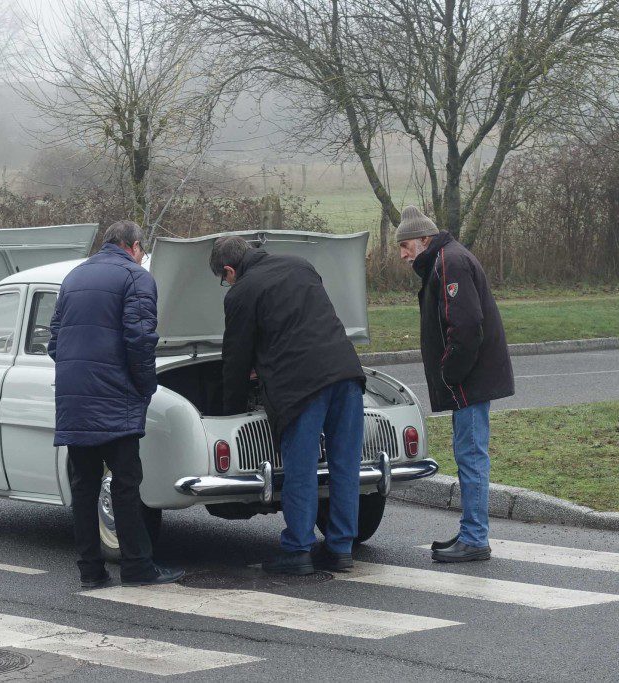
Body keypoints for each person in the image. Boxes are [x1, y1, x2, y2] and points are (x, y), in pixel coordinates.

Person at [210, 236, 366, 575]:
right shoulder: (300, 264)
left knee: (301, 468)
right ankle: (340, 549)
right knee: (345, 466)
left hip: (301, 386)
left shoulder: (241, 292)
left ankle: (297, 550)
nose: (227, 285)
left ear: (229, 270)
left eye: (224, 280)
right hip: (346, 371)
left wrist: (231, 411)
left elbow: (235, 359)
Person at [48, 220, 184, 588]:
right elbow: (140, 339)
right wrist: (146, 386)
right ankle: (137, 566)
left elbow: (54, 342)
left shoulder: (74, 277)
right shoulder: (136, 278)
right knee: (125, 484)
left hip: (74, 399)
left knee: (85, 485)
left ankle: (91, 571)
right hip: (116, 398)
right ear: (135, 246)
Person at [396, 206, 515, 563]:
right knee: (469, 454)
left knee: (471, 456)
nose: (402, 254)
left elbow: (465, 326)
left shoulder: (450, 262)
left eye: (405, 245)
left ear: (424, 240)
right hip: (469, 381)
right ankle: (470, 533)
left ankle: (475, 538)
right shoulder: (444, 259)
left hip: (469, 382)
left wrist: (449, 373)